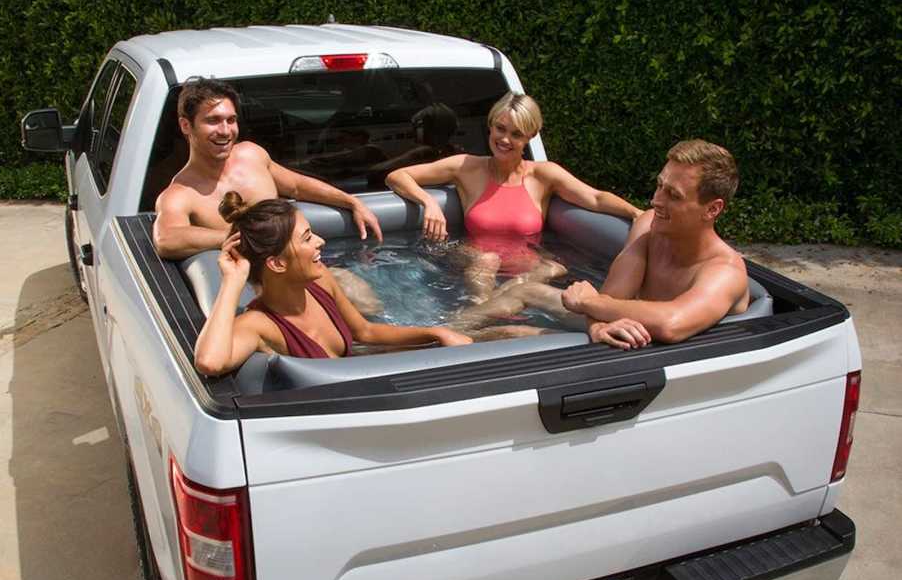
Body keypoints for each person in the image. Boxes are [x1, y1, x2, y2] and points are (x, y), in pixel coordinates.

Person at [462, 139, 749, 346]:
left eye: (673, 195)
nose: (655, 200)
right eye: (660, 185)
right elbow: (612, 296)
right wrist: (598, 326)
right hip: (622, 330)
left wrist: (592, 304)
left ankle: (445, 345)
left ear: (712, 209)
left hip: (656, 355)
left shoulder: (725, 272)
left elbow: (671, 324)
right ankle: (441, 333)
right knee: (527, 290)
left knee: (514, 336)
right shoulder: (649, 226)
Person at [154, 78, 385, 311]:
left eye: (231, 120)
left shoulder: (251, 155)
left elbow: (295, 185)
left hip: (305, 267)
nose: (225, 131)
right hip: (261, 290)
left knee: (370, 306)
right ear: (186, 126)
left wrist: (351, 201)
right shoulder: (180, 193)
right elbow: (167, 239)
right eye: (213, 121)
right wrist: (242, 238)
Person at [386, 92, 642, 302]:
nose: (505, 139)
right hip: (473, 259)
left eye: (517, 134)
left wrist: (636, 214)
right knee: (489, 260)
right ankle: (481, 314)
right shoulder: (465, 167)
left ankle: (485, 317)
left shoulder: (544, 175)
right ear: (490, 126)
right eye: (500, 128)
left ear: (530, 136)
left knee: (555, 267)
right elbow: (397, 176)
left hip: (525, 270)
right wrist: (428, 202)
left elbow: (595, 198)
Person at [194, 194, 470, 376]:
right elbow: (209, 362)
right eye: (306, 238)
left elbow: (365, 331)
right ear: (277, 263)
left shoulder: (320, 280)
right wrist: (232, 281)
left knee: (502, 332)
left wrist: (436, 333)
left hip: (361, 378)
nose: (321, 241)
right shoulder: (259, 324)